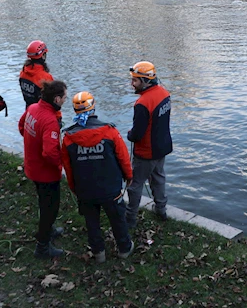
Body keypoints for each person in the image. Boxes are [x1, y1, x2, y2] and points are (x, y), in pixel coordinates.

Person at [61, 92, 134, 263]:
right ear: (93, 107)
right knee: (117, 219)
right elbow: (123, 157)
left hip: (85, 189)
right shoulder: (110, 131)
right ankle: (124, 248)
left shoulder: (68, 138)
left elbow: (68, 167)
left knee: (91, 221)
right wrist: (129, 176)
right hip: (110, 188)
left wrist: (73, 187)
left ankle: (98, 252)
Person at [20, 80, 68, 258]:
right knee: (51, 208)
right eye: (64, 98)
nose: (65, 100)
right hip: (46, 173)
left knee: (43, 201)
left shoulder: (33, 108)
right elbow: (49, 153)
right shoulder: (50, 121)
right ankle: (42, 246)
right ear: (56, 99)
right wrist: (61, 165)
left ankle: (48, 230)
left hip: (32, 167)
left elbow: (21, 126)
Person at [125, 62, 172, 228]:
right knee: (159, 178)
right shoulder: (164, 94)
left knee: (135, 184)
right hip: (162, 147)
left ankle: (130, 217)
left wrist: (130, 135)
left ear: (146, 81)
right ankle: (161, 209)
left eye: (135, 80)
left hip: (146, 152)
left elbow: (137, 134)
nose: (132, 84)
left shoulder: (142, 104)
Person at [19, 40, 52, 110]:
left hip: (29, 111)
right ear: (43, 56)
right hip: (43, 114)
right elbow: (53, 101)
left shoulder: (23, 72)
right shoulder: (45, 77)